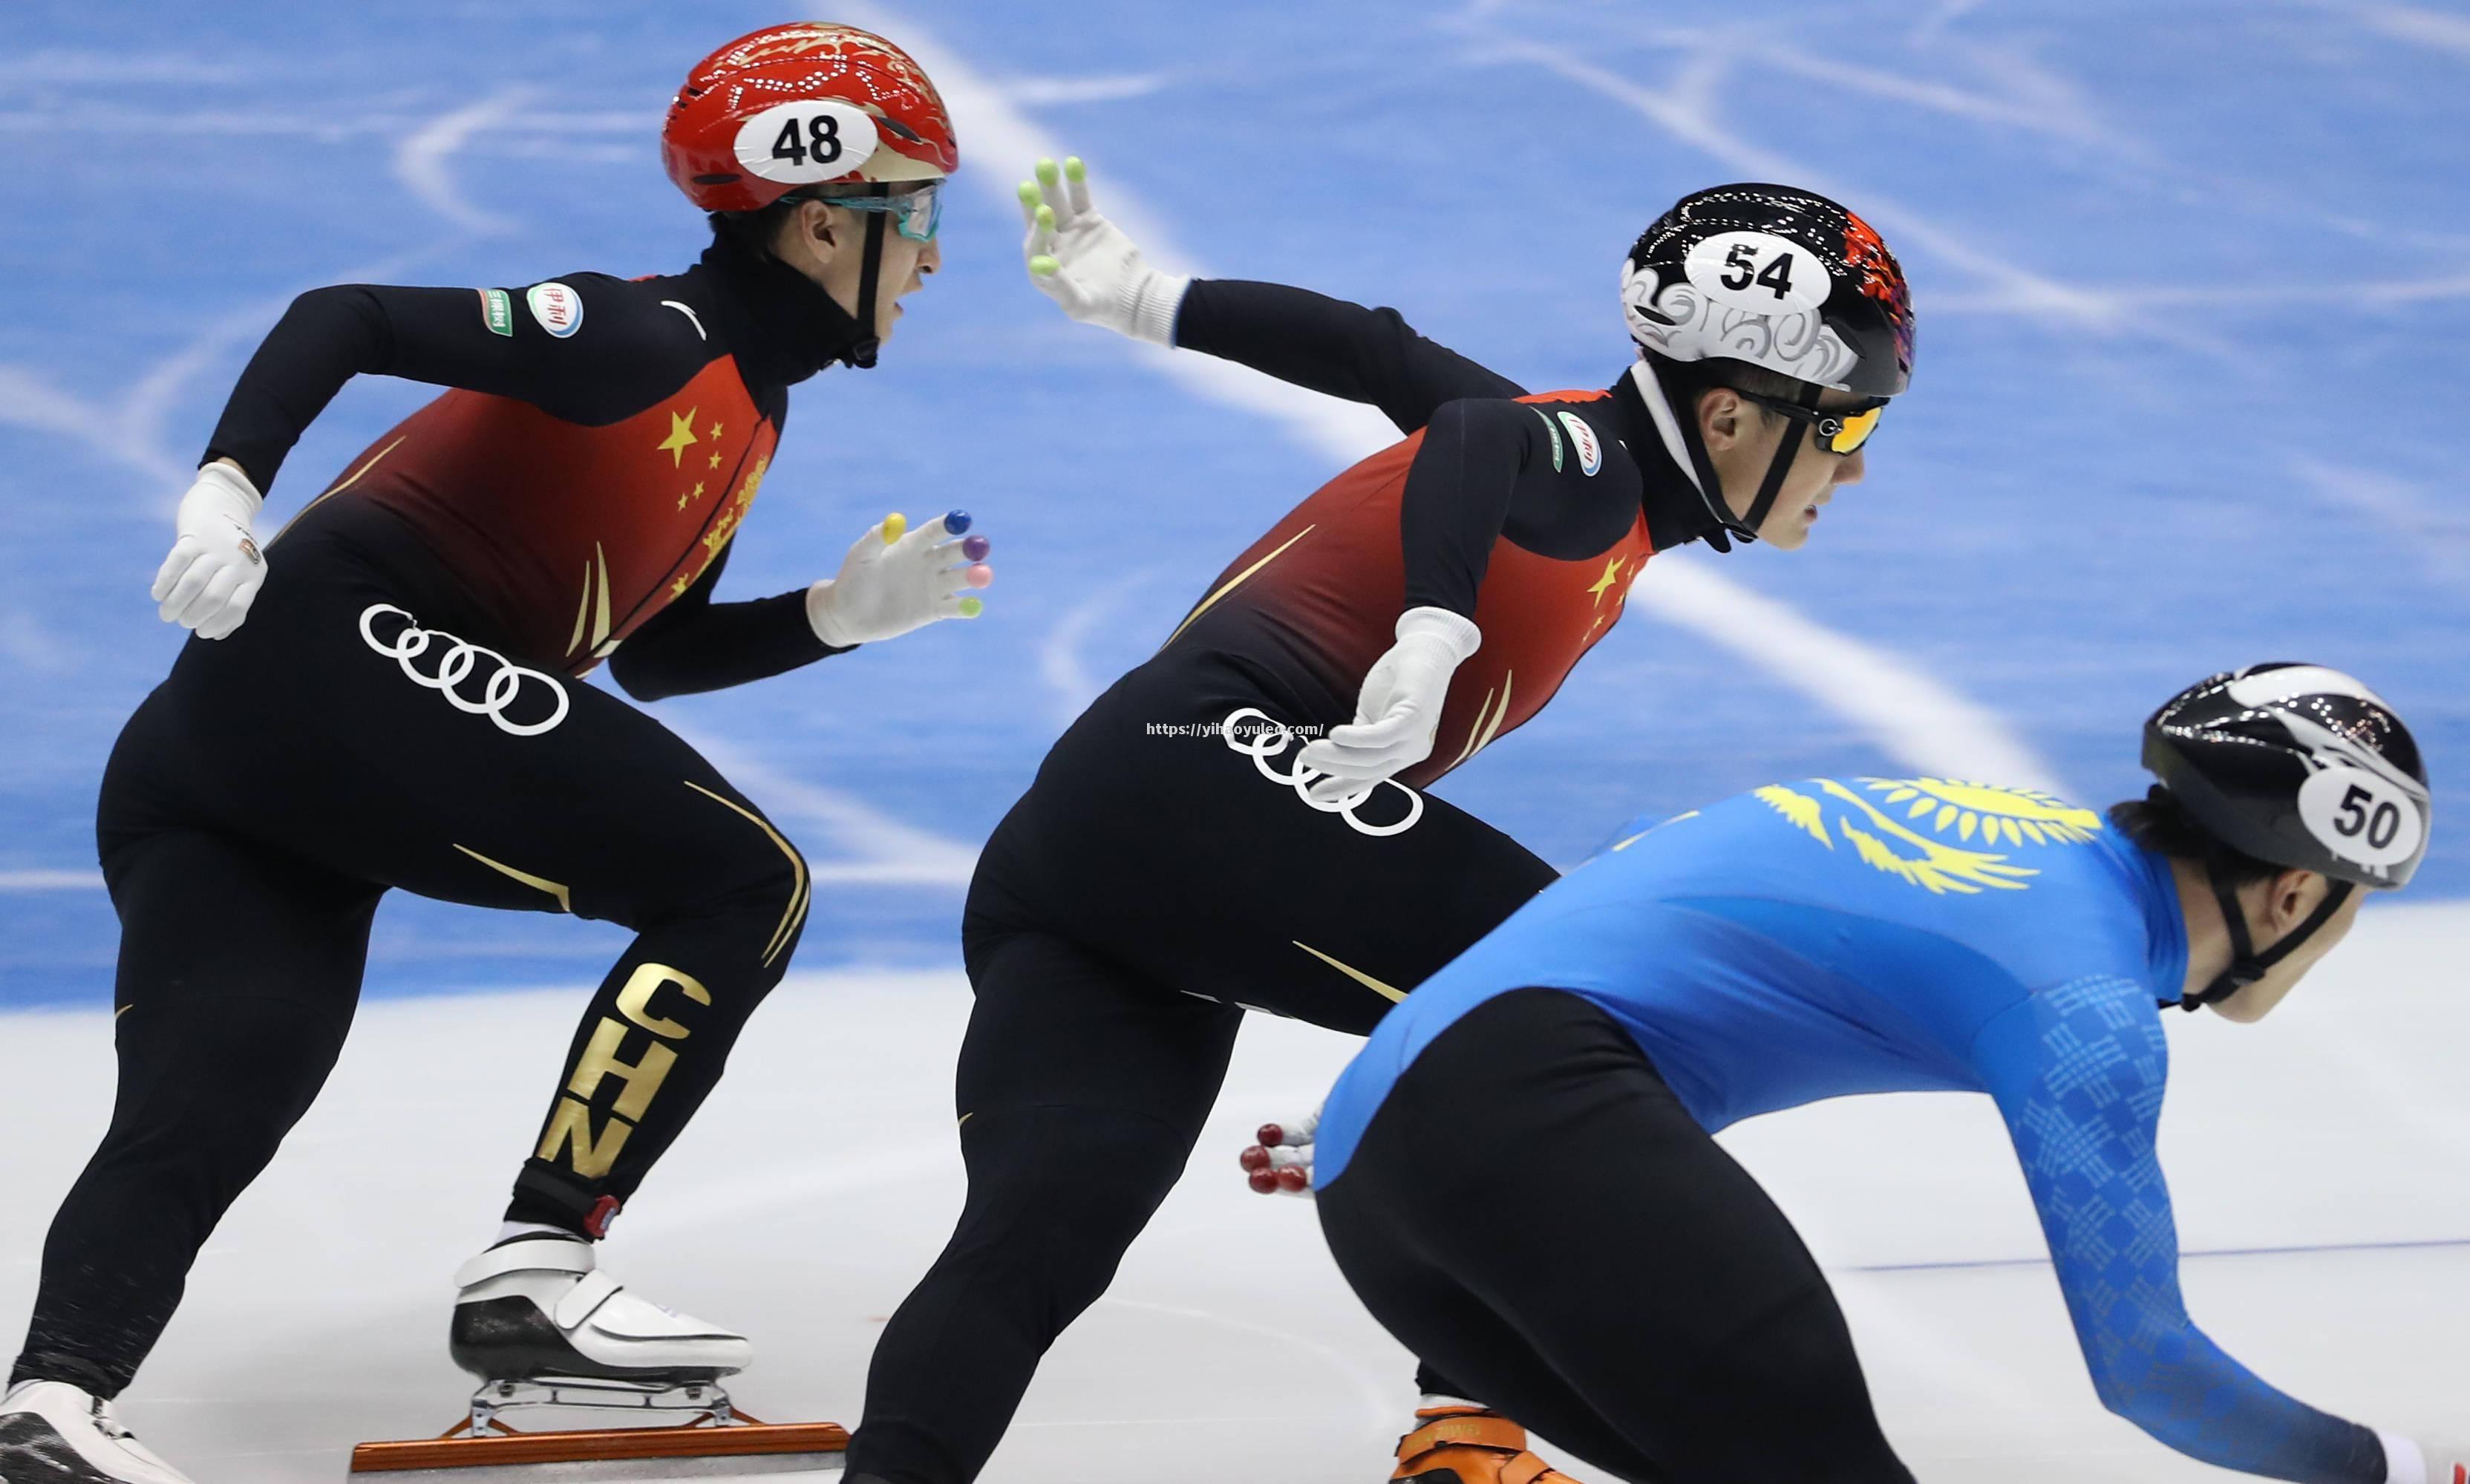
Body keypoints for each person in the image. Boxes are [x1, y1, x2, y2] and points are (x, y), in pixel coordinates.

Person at [0, 24, 993, 1484]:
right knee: (743, 881)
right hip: (323, 656)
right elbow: (344, 316)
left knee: (213, 1091)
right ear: (818, 213)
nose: (929, 258)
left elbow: (650, 652)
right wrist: (224, 491)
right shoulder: (647, 339)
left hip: (233, 758)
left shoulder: (747, 411)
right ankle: (541, 1257)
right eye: (917, 214)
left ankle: (52, 1402)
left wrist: (835, 618)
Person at [840, 160, 1916, 1484]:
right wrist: (1435, 621)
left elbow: (1374, 352)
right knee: (1595, 993)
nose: (1855, 471)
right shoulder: (1579, 464)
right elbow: (1480, 442)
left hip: (1092, 846)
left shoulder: (1589, 463)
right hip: (1201, 779)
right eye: (1850, 429)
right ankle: (1468, 1428)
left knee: (1031, 1247)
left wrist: (1151, 299)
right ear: (1737, 413)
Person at [1311, 664, 2459, 1483]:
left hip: (1375, 1167)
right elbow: (2149, 1372)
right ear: (2300, 894)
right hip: (1511, 1118)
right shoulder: (2089, 1009)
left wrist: (1434, 1095)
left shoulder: (2011, 834)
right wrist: (2390, 1469)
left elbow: (1649, 849)